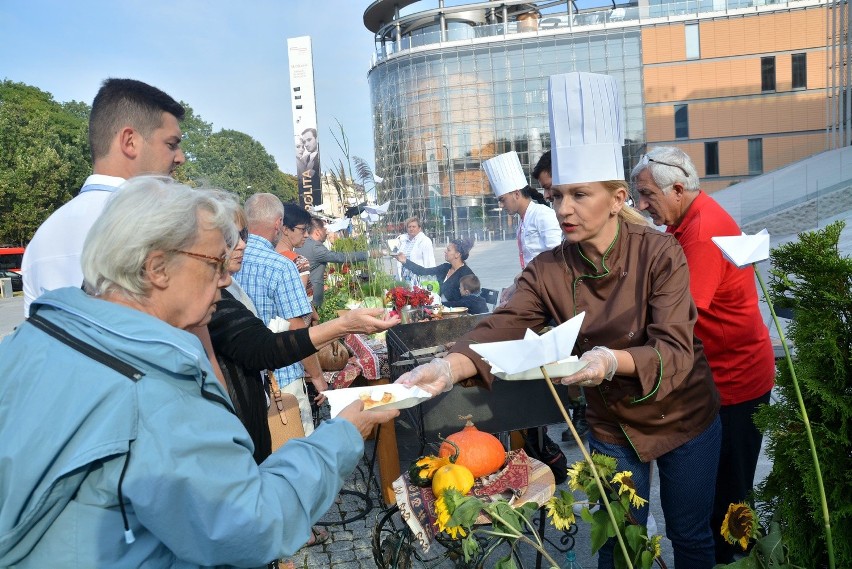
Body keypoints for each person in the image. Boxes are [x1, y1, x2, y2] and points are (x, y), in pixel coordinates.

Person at [399, 72, 721, 569]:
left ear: (617, 199)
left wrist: (610, 360)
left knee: (690, 535)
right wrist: (448, 366)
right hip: (613, 424)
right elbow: (504, 322)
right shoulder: (550, 268)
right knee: (617, 539)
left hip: (684, 413)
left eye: (579, 195)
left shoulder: (661, 253)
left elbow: (676, 350)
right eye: (557, 197)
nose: (565, 209)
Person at [0, 177, 398, 568]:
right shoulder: (155, 387)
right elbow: (249, 524)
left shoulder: (33, 340)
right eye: (214, 264)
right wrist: (343, 435)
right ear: (157, 267)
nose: (226, 279)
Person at [631, 146, 776, 564]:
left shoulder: (702, 229)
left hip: (735, 381)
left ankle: (740, 562)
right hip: (718, 377)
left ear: (678, 188)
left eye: (647, 196)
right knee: (719, 499)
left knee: (730, 503)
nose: (641, 205)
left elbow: (679, 315)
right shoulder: (686, 218)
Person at [21, 78, 186, 315]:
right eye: (171, 144)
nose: (180, 158)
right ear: (130, 142)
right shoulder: (160, 225)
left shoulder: (43, 236)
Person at [235, 193, 324, 435]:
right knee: (297, 455)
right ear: (278, 224)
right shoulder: (281, 266)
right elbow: (297, 331)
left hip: (243, 379)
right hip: (282, 378)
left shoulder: (229, 261)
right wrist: (318, 377)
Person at [483, 150, 561, 269]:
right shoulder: (523, 221)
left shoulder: (543, 215)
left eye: (503, 199)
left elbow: (558, 257)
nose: (501, 205)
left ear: (516, 194)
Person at [295, 216, 379, 308]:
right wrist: (368, 254)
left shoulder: (305, 243)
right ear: (318, 231)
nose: (327, 232)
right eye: (324, 229)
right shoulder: (315, 247)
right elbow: (341, 257)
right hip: (311, 298)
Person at [395, 236, 475, 303]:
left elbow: (469, 301)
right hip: (440, 310)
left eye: (448, 250)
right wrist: (405, 261)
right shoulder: (445, 267)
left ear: (457, 254)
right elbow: (423, 271)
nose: (445, 251)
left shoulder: (467, 274)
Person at [276, 202, 315, 303]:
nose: (306, 235)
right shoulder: (299, 262)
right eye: (303, 229)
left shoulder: (267, 257)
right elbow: (298, 302)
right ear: (285, 229)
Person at [395, 216, 436, 286]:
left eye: (414, 227)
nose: (411, 229)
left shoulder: (425, 241)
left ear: (419, 228)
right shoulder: (403, 241)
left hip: (418, 278)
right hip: (405, 278)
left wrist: (430, 281)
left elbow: (429, 261)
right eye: (409, 227)